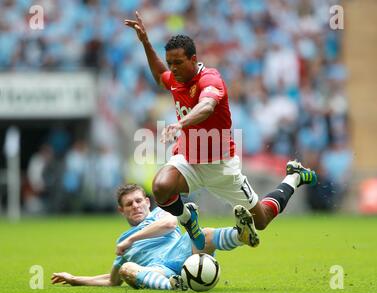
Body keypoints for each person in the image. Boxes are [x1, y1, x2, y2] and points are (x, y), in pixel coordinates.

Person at [123, 12, 317, 251]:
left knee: (262, 220)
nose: (173, 69)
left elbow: (206, 107)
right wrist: (145, 43)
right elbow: (159, 75)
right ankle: (189, 221)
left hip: (221, 166)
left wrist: (181, 124)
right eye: (170, 63)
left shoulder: (211, 79)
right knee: (161, 187)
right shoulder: (176, 78)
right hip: (188, 160)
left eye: (178, 63)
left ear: (193, 59)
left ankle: (294, 176)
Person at [51, 184, 255, 290]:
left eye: (138, 201)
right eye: (129, 204)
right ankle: (173, 285)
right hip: (156, 270)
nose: (136, 206)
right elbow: (112, 280)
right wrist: (74, 279)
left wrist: (131, 240)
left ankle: (240, 236)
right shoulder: (122, 241)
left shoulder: (159, 214)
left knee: (204, 234)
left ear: (147, 202)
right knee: (126, 269)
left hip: (181, 251)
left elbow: (170, 224)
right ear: (121, 211)